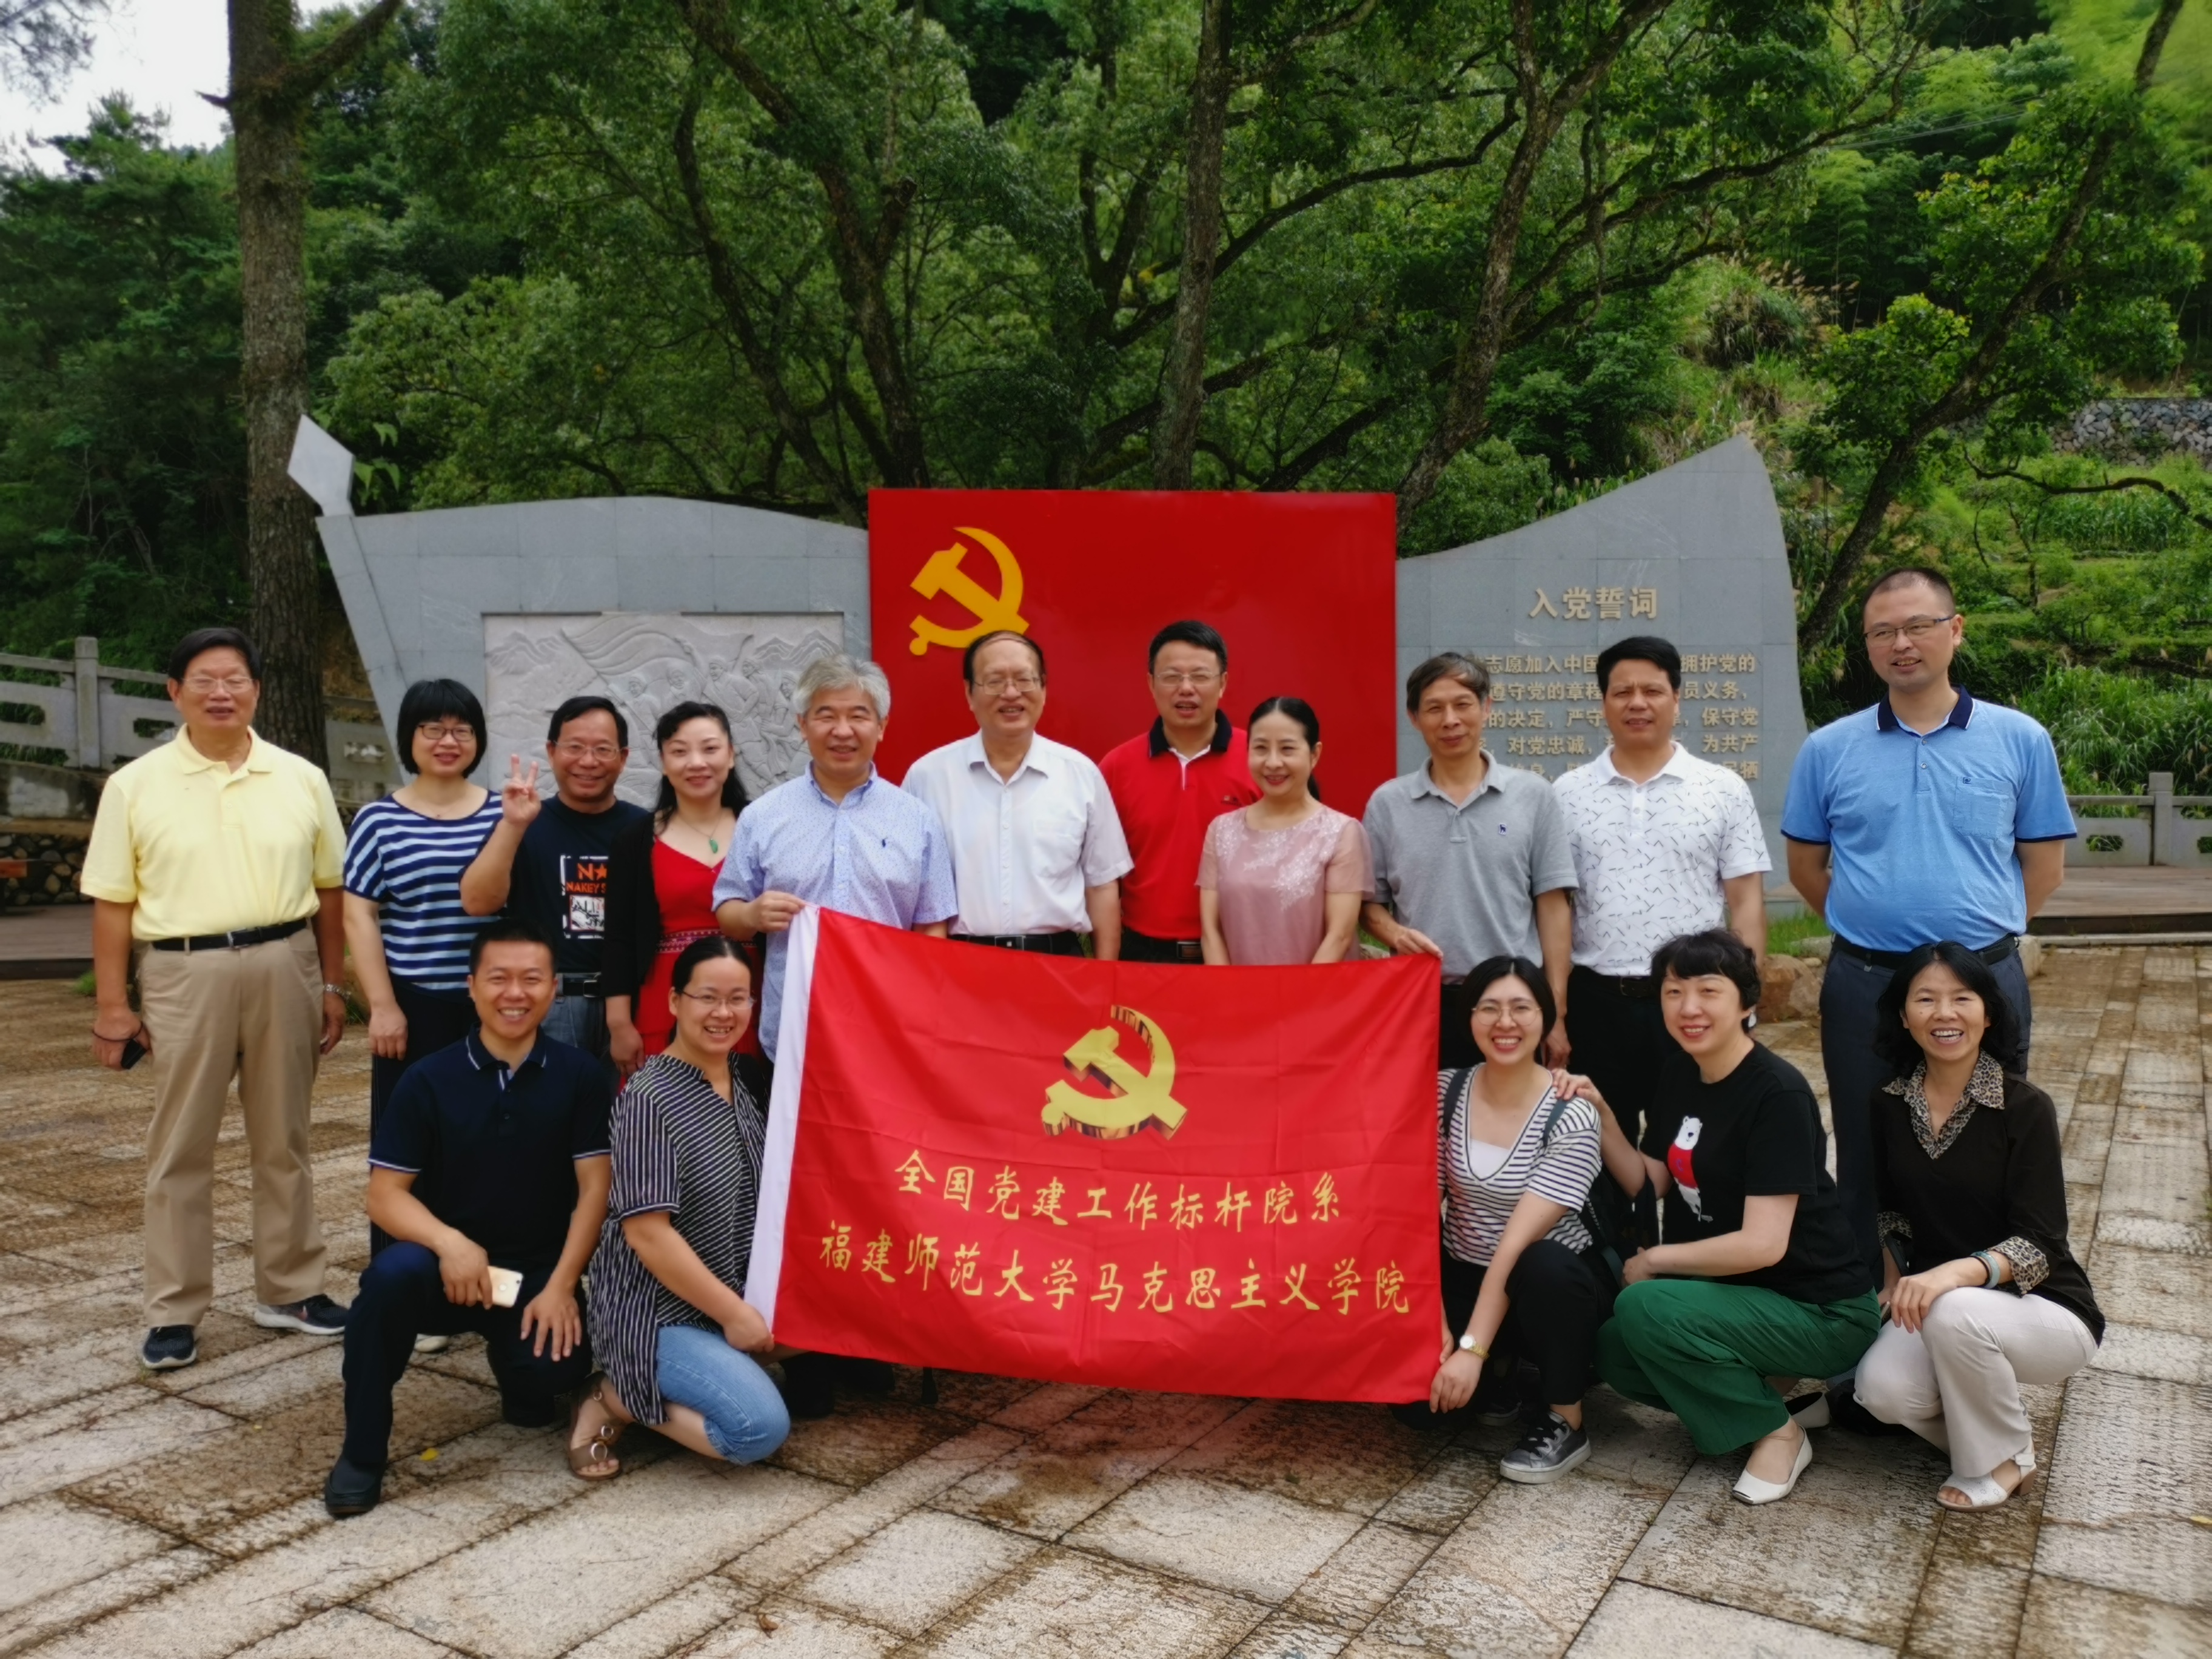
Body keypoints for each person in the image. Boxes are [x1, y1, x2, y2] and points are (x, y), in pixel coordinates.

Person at [1782, 568, 2076, 1288]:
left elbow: (2043, 868)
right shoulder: (1829, 749)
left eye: (1918, 626)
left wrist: (1972, 949)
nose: (1902, 644)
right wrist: (1873, 924)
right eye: (1882, 632)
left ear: (1956, 629)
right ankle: (1865, 1307)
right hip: (1866, 982)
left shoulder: (2019, 738)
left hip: (1983, 980)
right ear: (1868, 646)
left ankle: (1977, 1294)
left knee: (1990, 1138)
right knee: (1863, 1141)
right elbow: (1807, 869)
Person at [82, 627, 352, 1373]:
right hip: (183, 970)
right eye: (203, 679)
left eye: (236, 679)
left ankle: (291, 1288)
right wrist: (112, 1005)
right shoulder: (135, 785)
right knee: (180, 1146)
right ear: (175, 692)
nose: (221, 693)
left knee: (285, 1137)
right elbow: (111, 903)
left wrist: (332, 985)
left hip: (285, 961)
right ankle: (174, 1309)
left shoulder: (300, 777)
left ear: (257, 690)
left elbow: (330, 891)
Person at [322, 919, 612, 1517]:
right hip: (442, 1272)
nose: (515, 994)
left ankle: (516, 1371)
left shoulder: (582, 1075)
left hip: (526, 1279)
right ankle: (362, 1451)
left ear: (554, 988)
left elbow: (595, 1191)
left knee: (553, 1375)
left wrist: (562, 1287)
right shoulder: (429, 1078)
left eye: (532, 979)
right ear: (472, 986)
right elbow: (384, 1196)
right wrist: (450, 1243)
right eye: (499, 979)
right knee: (389, 1280)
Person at [1580, 929, 1877, 1506]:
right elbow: (1649, 1180)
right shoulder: (1680, 1074)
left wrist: (1656, 1259)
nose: (1688, 1008)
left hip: (1819, 1308)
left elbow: (1764, 1244)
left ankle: (1778, 1432)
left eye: (1708, 991)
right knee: (1615, 1349)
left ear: (1746, 1002)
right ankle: (1767, 1398)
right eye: (1673, 992)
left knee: (1645, 1307)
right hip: (1738, 1297)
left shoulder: (1778, 1093)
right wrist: (1602, 1116)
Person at [1852, 943, 2102, 1511]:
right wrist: (1893, 1282)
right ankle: (2002, 1439)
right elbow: (1892, 1211)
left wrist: (1947, 1276)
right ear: (1904, 1016)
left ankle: (2000, 1459)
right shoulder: (1888, 1103)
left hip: (2045, 1305)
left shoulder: (2024, 1107)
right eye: (1926, 999)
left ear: (1988, 1013)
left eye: (1962, 998)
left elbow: (2042, 1241)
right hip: (1942, 1304)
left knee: (1957, 1310)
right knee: (1881, 1391)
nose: (1944, 1014)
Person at [569, 937, 795, 1476]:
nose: (724, 1013)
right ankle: (609, 1397)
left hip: (728, 1290)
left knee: (855, 1314)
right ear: (674, 1002)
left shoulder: (745, 1078)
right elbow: (648, 1234)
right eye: (707, 997)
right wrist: (735, 1315)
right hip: (654, 1312)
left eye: (738, 999)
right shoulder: (648, 1099)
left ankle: (711, 1365)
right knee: (757, 1429)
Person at [1401, 957, 1614, 1485]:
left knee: (1542, 1265)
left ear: (1545, 1018)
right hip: (1467, 1270)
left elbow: (1515, 1247)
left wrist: (1469, 1350)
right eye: (1489, 1008)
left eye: (1522, 1008)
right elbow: (1416, 1216)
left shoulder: (1570, 1112)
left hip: (1550, 1286)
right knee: (1416, 1408)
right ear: (1468, 1017)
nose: (1505, 1023)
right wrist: (1434, 1327)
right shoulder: (1444, 1092)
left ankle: (1566, 1417)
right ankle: (1504, 1370)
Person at [1552, 637, 1769, 1150]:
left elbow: (1746, 902)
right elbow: (1556, 908)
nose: (1637, 703)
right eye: (1622, 692)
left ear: (1677, 699)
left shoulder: (1722, 788)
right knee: (1596, 1145)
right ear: (1604, 702)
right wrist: (1556, 1013)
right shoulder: (1565, 794)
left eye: (1652, 691)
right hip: (1596, 1003)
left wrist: (1745, 1001)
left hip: (1692, 999)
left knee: (1693, 1145)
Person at [714, 654, 956, 1065]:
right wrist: (753, 914)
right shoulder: (764, 816)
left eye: (858, 716)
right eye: (826, 716)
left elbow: (932, 924)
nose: (842, 731)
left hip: (889, 1028)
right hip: (794, 1032)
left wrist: (916, 1002)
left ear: (882, 726)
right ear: (802, 725)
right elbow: (727, 909)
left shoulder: (917, 820)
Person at [343, 679, 501, 1259]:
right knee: (407, 1146)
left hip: (495, 1010)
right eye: (432, 728)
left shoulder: (505, 814)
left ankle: (490, 1275)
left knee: (491, 1142)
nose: (447, 741)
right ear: (409, 737)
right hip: (413, 1005)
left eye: (461, 730)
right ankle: (405, 1278)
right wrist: (383, 1006)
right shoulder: (378, 821)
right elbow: (359, 915)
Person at [1363, 653, 1577, 1069]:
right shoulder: (1388, 803)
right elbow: (1369, 905)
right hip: (1420, 1000)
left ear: (1486, 707)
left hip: (1512, 1003)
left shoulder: (1533, 795)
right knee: (1427, 1108)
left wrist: (1555, 1012)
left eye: (1462, 704)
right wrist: (1395, 933)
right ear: (1414, 717)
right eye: (1434, 708)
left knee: (1510, 1110)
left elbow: (1553, 908)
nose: (1450, 720)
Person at [902, 630, 1131, 959]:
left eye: (1024, 680)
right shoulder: (927, 778)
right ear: (969, 693)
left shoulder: (1081, 774)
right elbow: (910, 888)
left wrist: (1106, 976)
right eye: (994, 681)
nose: (1011, 693)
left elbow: (1102, 885)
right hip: (960, 965)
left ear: (1043, 689)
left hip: (1057, 965)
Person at [461, 695, 652, 1077]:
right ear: (551, 752)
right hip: (551, 1003)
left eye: (603, 750)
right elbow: (478, 902)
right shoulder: (524, 823)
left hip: (633, 1003)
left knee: (629, 1112)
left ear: (623, 758)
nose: (588, 761)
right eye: (574, 747)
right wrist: (513, 826)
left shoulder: (645, 829)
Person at [602, 702, 757, 1076]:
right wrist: (619, 1022)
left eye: (710, 748)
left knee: (751, 1104)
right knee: (667, 1107)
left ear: (731, 755)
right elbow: (619, 938)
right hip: (666, 1002)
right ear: (663, 762)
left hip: (749, 1000)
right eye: (680, 751)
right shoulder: (636, 840)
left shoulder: (762, 826)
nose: (696, 763)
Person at [1099, 621, 1261, 963]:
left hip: (1238, 950)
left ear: (1223, 683)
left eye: (1200, 676)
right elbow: (1101, 875)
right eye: (1171, 677)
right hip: (1143, 953)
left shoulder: (1260, 760)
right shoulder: (1116, 767)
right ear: (1151, 684)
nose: (1186, 689)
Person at [1197, 697, 1370, 965]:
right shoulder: (1221, 831)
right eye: (1261, 748)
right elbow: (1211, 932)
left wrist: (1296, 993)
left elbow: (1339, 937)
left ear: (1314, 754)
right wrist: (1226, 988)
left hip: (1318, 987)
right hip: (1237, 988)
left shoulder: (1341, 833)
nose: (1273, 762)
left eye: (1287, 749)